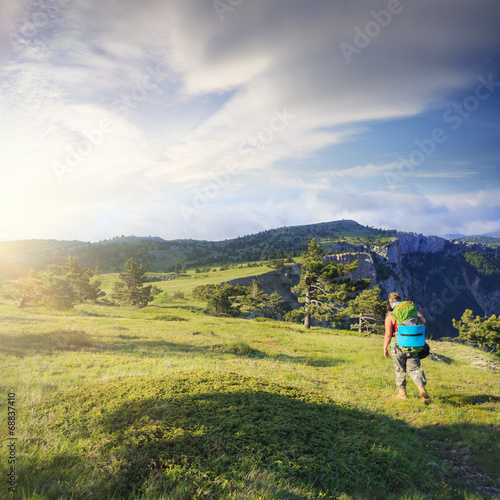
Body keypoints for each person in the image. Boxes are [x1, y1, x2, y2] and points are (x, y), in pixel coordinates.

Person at [383, 292, 431, 404]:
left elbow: (388, 334)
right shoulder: (411, 311)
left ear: (390, 302)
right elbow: (423, 321)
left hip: (397, 346)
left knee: (400, 369)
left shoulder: (391, 315)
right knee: (414, 368)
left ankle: (402, 394)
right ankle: (421, 388)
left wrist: (385, 348)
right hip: (412, 344)